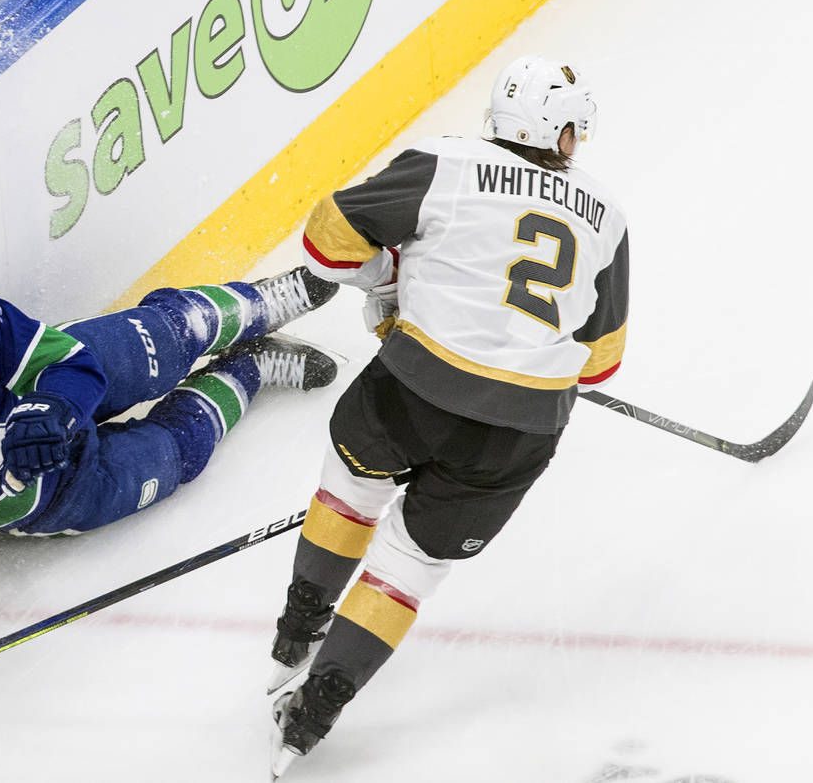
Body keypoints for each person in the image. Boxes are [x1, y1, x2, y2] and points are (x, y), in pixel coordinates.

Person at [266, 54, 630, 778]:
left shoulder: (445, 162)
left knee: (353, 490)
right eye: (568, 130)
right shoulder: (609, 217)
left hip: (414, 388)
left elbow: (325, 240)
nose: (572, 143)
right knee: (408, 566)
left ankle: (295, 630)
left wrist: (395, 280)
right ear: (558, 129)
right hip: (523, 430)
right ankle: (312, 715)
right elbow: (601, 360)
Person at [0, 266, 340, 716]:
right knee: (177, 454)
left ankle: (263, 302)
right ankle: (252, 367)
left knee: (161, 337)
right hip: (60, 495)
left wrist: (52, 408)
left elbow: (66, 360)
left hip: (51, 392)